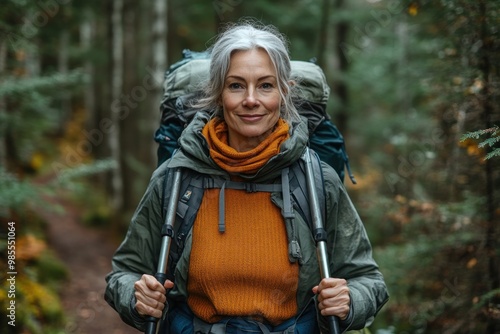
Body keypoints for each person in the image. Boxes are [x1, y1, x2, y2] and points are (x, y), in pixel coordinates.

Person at [105, 21, 389, 334]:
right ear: (218, 93)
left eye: (266, 85)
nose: (251, 99)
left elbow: (367, 279)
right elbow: (126, 271)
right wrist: (136, 297)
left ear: (284, 93)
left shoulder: (315, 178)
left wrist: (349, 303)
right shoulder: (177, 177)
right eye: (236, 85)